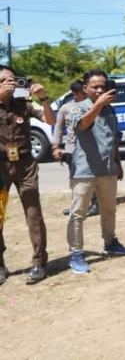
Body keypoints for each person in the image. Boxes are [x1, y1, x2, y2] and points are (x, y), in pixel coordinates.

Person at [67, 70, 125, 274]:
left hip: (107, 170)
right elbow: (83, 125)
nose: (100, 90)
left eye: (102, 86)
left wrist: (118, 163)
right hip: (84, 171)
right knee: (78, 213)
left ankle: (110, 242)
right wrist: (97, 104)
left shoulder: (109, 110)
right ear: (85, 88)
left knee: (109, 209)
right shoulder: (77, 108)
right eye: (95, 87)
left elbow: (113, 140)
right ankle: (76, 253)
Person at [0, 66, 55, 285]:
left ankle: (39, 262)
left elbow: (50, 120)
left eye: (12, 80)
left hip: (25, 164)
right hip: (0, 166)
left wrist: (44, 99)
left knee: (34, 214)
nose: (9, 84)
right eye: (4, 80)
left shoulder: (23, 104)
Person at [54, 80, 98, 217]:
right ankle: (77, 205)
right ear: (74, 93)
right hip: (71, 148)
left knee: (92, 176)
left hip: (90, 147)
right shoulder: (66, 108)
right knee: (75, 178)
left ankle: (95, 204)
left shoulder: (93, 105)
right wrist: (56, 146)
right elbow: (59, 128)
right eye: (81, 93)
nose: (84, 95)